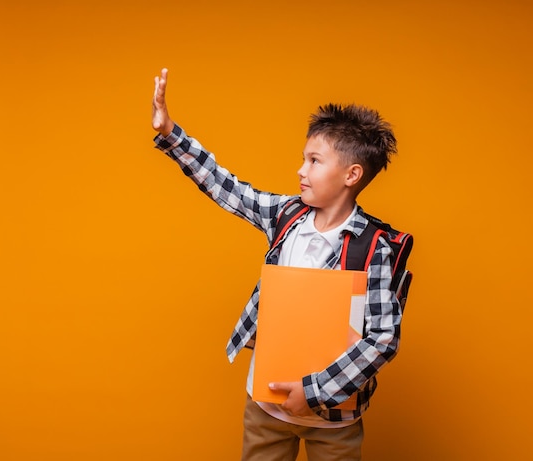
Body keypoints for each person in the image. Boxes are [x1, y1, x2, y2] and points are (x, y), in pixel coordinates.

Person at [152, 68, 403, 461]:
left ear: (352, 174)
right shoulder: (286, 216)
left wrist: (316, 390)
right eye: (303, 159)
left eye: (315, 161)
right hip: (265, 407)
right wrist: (171, 134)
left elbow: (383, 337)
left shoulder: (374, 248)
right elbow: (227, 188)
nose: (301, 170)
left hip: (333, 419)